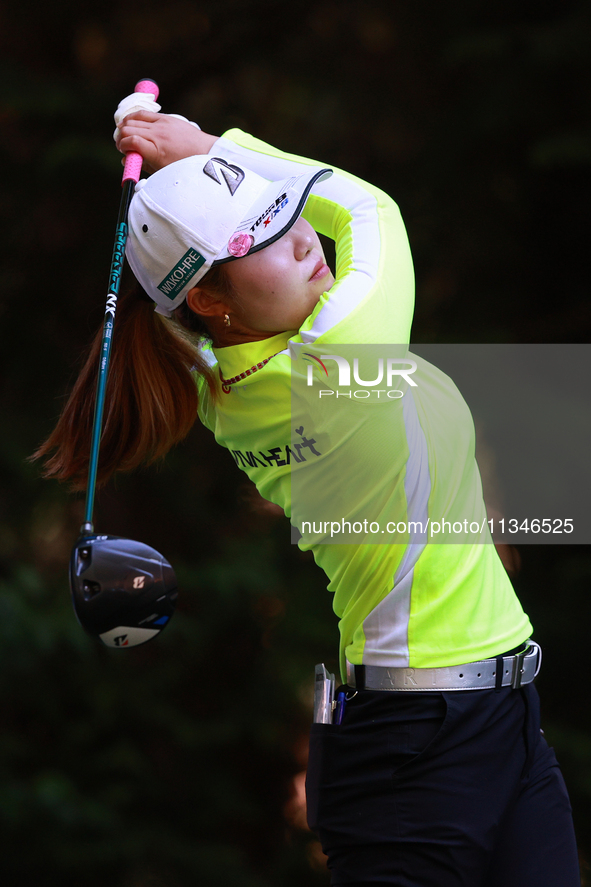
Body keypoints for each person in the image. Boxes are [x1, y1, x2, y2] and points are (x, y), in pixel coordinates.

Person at [35, 98, 580, 887]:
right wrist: (208, 144)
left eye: (284, 211)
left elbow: (179, 311)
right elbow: (366, 207)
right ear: (212, 303)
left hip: (501, 721)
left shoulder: (227, 374)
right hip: (416, 751)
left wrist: (192, 175)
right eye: (259, 236)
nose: (302, 238)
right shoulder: (334, 357)